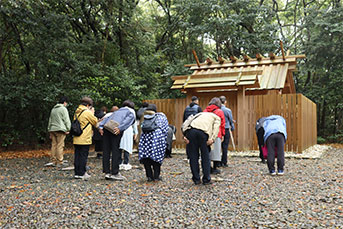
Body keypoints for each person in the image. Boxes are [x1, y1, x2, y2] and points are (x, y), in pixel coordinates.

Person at [99, 100, 135, 180]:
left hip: (106, 128)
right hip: (115, 130)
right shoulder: (130, 112)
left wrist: (100, 127)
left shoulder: (118, 111)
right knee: (116, 150)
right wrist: (120, 128)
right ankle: (115, 172)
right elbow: (127, 122)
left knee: (106, 150)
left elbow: (107, 118)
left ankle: (107, 172)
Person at [182, 112, 221, 185]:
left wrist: (184, 135)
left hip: (191, 131)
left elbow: (187, 122)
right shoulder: (216, 117)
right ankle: (206, 179)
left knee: (193, 157)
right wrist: (212, 139)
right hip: (203, 133)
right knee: (205, 157)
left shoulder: (199, 114)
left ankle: (196, 179)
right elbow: (216, 128)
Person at [139, 104, 169, 182]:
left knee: (146, 158)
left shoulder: (144, 117)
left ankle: (149, 176)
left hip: (145, 140)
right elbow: (166, 129)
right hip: (157, 139)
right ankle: (156, 176)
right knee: (157, 158)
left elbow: (141, 128)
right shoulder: (161, 117)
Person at [73, 97, 98, 180]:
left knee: (77, 155)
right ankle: (82, 173)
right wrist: (92, 113)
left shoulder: (77, 111)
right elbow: (95, 122)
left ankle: (77, 172)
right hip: (84, 138)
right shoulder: (87, 112)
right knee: (83, 156)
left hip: (76, 137)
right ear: (88, 105)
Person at [46, 96, 71, 168]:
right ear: (65, 102)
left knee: (54, 145)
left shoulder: (53, 109)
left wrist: (49, 129)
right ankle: (60, 161)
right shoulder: (63, 109)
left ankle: (53, 160)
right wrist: (68, 129)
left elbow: (50, 120)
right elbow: (66, 120)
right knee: (60, 145)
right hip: (60, 129)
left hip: (52, 129)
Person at [204, 97, 225, 175]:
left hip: (206, 133)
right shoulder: (219, 111)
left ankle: (208, 167)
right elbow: (222, 124)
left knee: (207, 151)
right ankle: (215, 168)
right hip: (216, 133)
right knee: (216, 151)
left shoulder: (205, 111)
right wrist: (223, 134)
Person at [119, 101, 137, 171]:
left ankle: (119, 163)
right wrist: (135, 133)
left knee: (120, 147)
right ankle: (126, 163)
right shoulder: (132, 111)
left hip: (120, 129)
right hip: (128, 130)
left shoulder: (120, 110)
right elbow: (134, 123)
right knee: (127, 146)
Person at [219, 96, 235, 167]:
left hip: (218, 129)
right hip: (226, 128)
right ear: (225, 102)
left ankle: (218, 161)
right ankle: (224, 162)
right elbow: (231, 119)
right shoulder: (227, 110)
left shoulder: (217, 110)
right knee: (225, 146)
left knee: (218, 146)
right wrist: (232, 127)